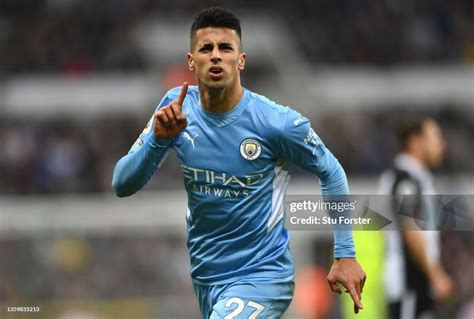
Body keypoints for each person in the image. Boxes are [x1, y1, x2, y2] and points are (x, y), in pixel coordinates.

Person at [112, 7, 365, 318]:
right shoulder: (176, 108)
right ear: (192, 61)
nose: (216, 56)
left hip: (262, 275)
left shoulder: (277, 122)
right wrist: (158, 141)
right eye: (206, 48)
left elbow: (331, 172)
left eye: (225, 48)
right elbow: (122, 184)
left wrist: (345, 253)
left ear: (241, 59)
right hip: (207, 278)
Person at [379, 116, 453, 319]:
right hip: (409, 283)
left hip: (416, 283)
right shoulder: (405, 180)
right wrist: (435, 275)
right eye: (435, 137)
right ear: (415, 141)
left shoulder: (412, 178)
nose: (441, 144)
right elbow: (410, 229)